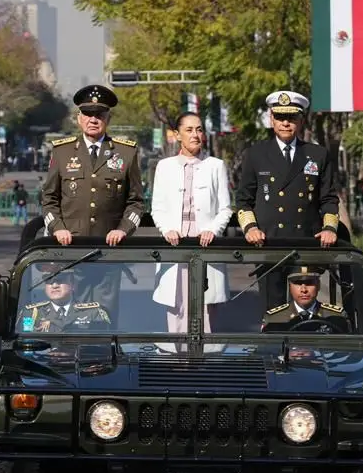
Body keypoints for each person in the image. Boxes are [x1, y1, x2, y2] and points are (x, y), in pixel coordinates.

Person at [40, 83, 146, 316]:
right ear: (78, 118)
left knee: (104, 316)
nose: (93, 119)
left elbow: (136, 202)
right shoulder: (62, 152)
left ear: (108, 117)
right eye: (87, 114)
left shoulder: (126, 153)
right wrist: (57, 228)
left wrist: (123, 230)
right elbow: (48, 199)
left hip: (108, 253)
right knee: (69, 315)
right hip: (69, 252)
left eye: (99, 114)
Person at [234, 90, 339, 305]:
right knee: (273, 312)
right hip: (269, 245)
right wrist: (250, 228)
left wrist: (329, 229)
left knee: (305, 309)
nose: (285, 123)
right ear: (271, 119)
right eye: (280, 117)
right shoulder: (256, 154)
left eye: (291, 118)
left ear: (300, 121)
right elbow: (243, 200)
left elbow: (328, 199)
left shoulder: (317, 155)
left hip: (305, 245)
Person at [150, 112, 233, 331]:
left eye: (199, 130)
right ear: (177, 135)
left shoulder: (216, 165)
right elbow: (157, 208)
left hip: (206, 245)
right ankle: (178, 361)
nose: (195, 135)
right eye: (189, 130)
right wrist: (167, 229)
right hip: (175, 247)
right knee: (176, 308)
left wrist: (213, 230)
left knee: (207, 310)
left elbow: (225, 208)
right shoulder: (164, 166)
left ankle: (205, 362)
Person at [260, 266, 349, 332]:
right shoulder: (274, 319)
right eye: (298, 283)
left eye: (309, 283)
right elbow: (267, 351)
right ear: (290, 286)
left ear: (318, 285)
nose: (304, 290)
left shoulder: (337, 317)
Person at [18, 271, 112, 333]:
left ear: (73, 284)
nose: (54, 285)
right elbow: (25, 343)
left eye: (60, 281)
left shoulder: (93, 313)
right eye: (49, 281)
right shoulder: (31, 314)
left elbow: (101, 345)